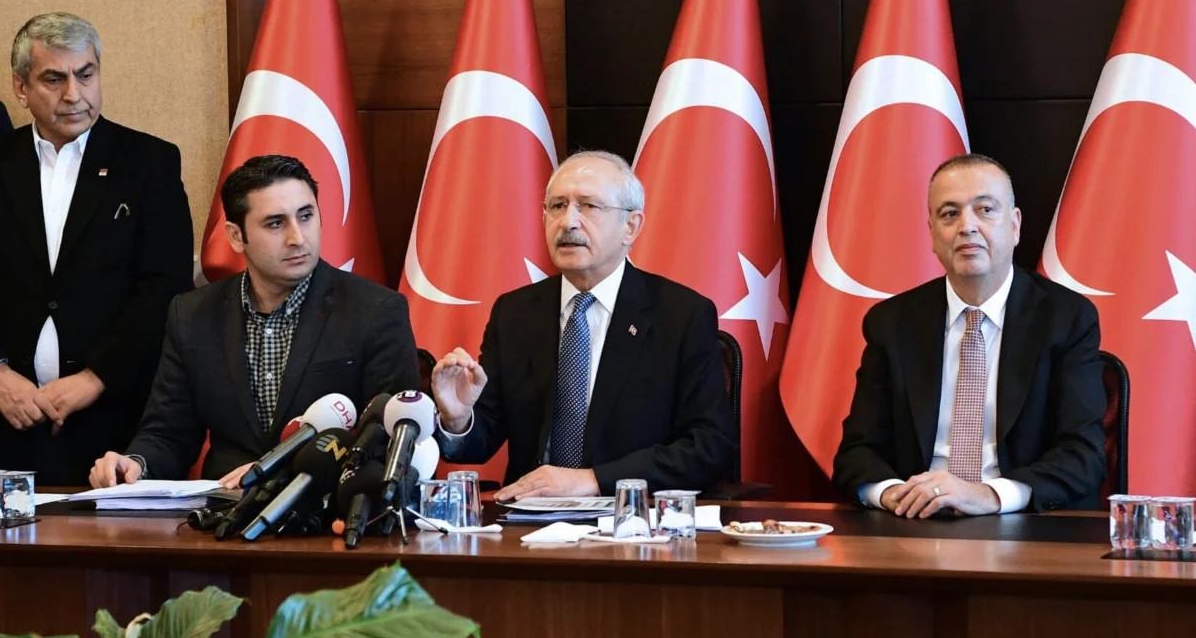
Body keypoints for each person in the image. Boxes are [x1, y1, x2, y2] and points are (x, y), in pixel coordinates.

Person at [89, 155, 420, 487]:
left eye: (306, 216)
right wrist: (135, 464)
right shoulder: (192, 314)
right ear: (236, 236)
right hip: (224, 511)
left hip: (325, 508)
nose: (297, 237)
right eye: (275, 223)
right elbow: (168, 433)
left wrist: (278, 471)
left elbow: (389, 441)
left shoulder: (376, 310)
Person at [431, 150, 735, 500]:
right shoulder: (515, 312)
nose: (568, 222)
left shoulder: (681, 315)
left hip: (630, 518)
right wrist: (458, 420)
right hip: (529, 521)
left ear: (631, 226)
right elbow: (482, 438)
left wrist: (593, 480)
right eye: (557, 206)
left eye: (588, 206)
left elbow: (709, 446)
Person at [833, 153, 1106, 517]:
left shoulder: (1066, 318)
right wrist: (896, 494)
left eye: (985, 210)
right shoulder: (892, 322)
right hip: (916, 522)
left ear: (1015, 226)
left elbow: (1082, 455)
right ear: (932, 233)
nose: (967, 227)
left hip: (1023, 524)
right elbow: (857, 453)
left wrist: (987, 496)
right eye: (949, 214)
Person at [0, 12, 193, 484]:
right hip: (6, 417)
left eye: (86, 75)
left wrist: (95, 377)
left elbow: (164, 286)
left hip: (112, 420)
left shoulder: (149, 162)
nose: (74, 94)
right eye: (54, 79)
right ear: (21, 88)